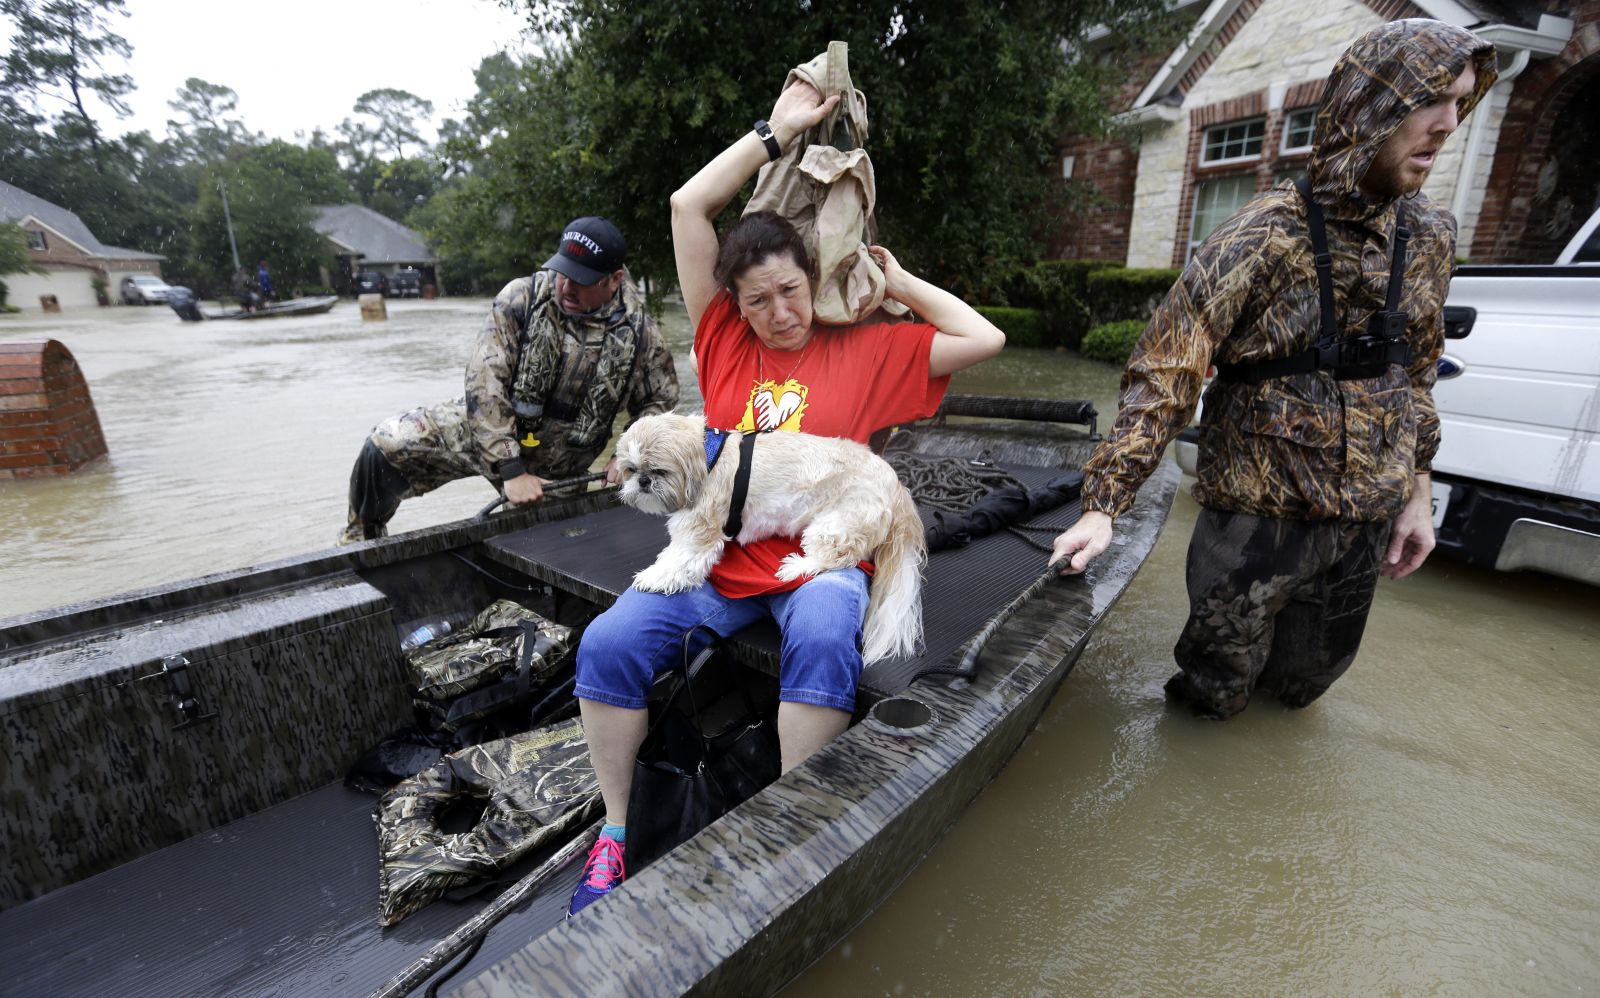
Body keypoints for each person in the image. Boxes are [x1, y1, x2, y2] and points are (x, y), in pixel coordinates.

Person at [565, 81, 1006, 916]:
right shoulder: (724, 341)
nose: (778, 313)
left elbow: (984, 339)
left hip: (816, 558)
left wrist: (901, 279)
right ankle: (617, 832)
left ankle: (790, 823)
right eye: (759, 299)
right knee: (609, 644)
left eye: (792, 292)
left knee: (829, 627)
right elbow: (689, 207)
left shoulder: (867, 351)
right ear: (734, 306)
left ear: (814, 279)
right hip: (723, 554)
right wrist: (776, 132)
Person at [1049, 19, 1497, 719]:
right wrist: (1104, 505)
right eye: (1428, 100)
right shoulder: (1261, 232)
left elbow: (1416, 374)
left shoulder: (1431, 235)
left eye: (1460, 102)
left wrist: (1418, 495)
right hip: (1257, 522)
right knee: (1211, 694)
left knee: (1305, 690)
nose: (1447, 124)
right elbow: (1167, 368)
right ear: (1369, 104)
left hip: (1366, 522)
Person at [338, 217, 679, 544]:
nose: (566, 286)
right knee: (386, 446)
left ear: (614, 279)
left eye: (582, 279)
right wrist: (511, 468)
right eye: (562, 273)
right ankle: (358, 544)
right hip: (488, 433)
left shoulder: (642, 334)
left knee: (554, 550)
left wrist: (627, 456)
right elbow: (484, 384)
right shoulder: (521, 298)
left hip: (559, 469)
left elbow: (659, 401)